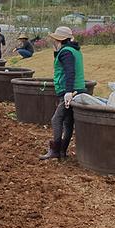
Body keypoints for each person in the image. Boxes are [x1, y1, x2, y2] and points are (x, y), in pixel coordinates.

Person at [39, 26, 86, 160]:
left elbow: (69, 72)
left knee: (56, 120)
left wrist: (68, 92)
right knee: (68, 122)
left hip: (70, 92)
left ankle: (56, 150)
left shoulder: (66, 52)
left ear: (59, 39)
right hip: (77, 90)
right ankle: (62, 152)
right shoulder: (73, 50)